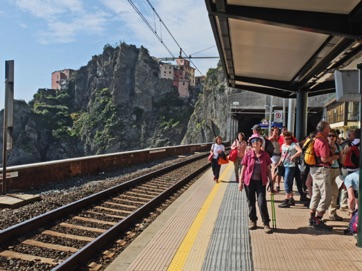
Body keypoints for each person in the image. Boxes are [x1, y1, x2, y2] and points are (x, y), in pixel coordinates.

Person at [239, 134, 273, 234]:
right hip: (249, 182)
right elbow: (243, 169)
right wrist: (240, 182)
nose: (255, 143)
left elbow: (268, 169)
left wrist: (271, 181)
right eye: (253, 142)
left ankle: (266, 223)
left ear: (260, 143)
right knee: (251, 202)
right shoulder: (248, 154)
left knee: (262, 202)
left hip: (261, 182)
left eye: (257, 141)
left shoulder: (265, 155)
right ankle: (253, 221)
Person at [308, 121, 339, 231]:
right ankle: (318, 219)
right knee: (326, 195)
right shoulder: (322, 141)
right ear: (325, 129)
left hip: (314, 170)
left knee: (316, 193)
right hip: (322, 170)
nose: (330, 130)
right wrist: (334, 157)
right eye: (329, 128)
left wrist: (330, 150)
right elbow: (324, 159)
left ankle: (312, 217)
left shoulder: (315, 138)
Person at [277, 131, 302, 208]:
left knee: (287, 181)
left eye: (289, 138)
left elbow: (300, 151)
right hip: (284, 165)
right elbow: (282, 155)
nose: (288, 140)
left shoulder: (293, 145)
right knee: (288, 181)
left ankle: (287, 199)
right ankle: (291, 198)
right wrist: (279, 163)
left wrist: (293, 156)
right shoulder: (283, 146)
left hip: (291, 166)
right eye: (286, 138)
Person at [327, 129, 343, 221]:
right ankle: (318, 214)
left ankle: (332, 213)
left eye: (333, 136)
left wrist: (343, 153)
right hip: (327, 170)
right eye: (330, 136)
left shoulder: (338, 146)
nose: (332, 137)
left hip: (336, 170)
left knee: (335, 193)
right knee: (324, 193)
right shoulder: (325, 146)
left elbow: (341, 161)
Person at [269, 127, 281, 192]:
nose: (276, 132)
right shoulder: (272, 138)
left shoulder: (280, 138)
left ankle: (277, 185)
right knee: (274, 172)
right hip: (273, 156)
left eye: (277, 131)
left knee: (279, 172)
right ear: (273, 131)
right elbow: (267, 142)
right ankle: (271, 186)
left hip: (280, 156)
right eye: (275, 131)